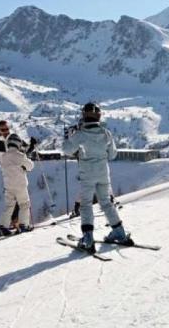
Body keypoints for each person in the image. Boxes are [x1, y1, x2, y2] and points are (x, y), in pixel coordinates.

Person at [63, 102, 132, 253]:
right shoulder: (106, 133)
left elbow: (67, 150)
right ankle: (119, 233)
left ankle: (88, 238)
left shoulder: (79, 134)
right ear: (98, 116)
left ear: (84, 115)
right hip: (103, 172)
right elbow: (113, 155)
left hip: (87, 174)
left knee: (86, 204)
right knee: (106, 202)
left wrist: (67, 137)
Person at [0, 120, 36, 236]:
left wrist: (31, 146)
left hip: (9, 179)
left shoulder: (12, 140)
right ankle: (21, 224)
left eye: (7, 129)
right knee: (23, 203)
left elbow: (25, 149)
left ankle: (5, 225)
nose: (5, 132)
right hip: (17, 179)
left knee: (11, 204)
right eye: (3, 130)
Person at [0, 133, 35, 237]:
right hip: (20, 185)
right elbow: (30, 166)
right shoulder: (20, 156)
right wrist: (24, 166)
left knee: (9, 206)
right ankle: (24, 225)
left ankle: (3, 225)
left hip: (8, 186)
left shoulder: (2, 157)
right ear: (18, 144)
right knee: (24, 204)